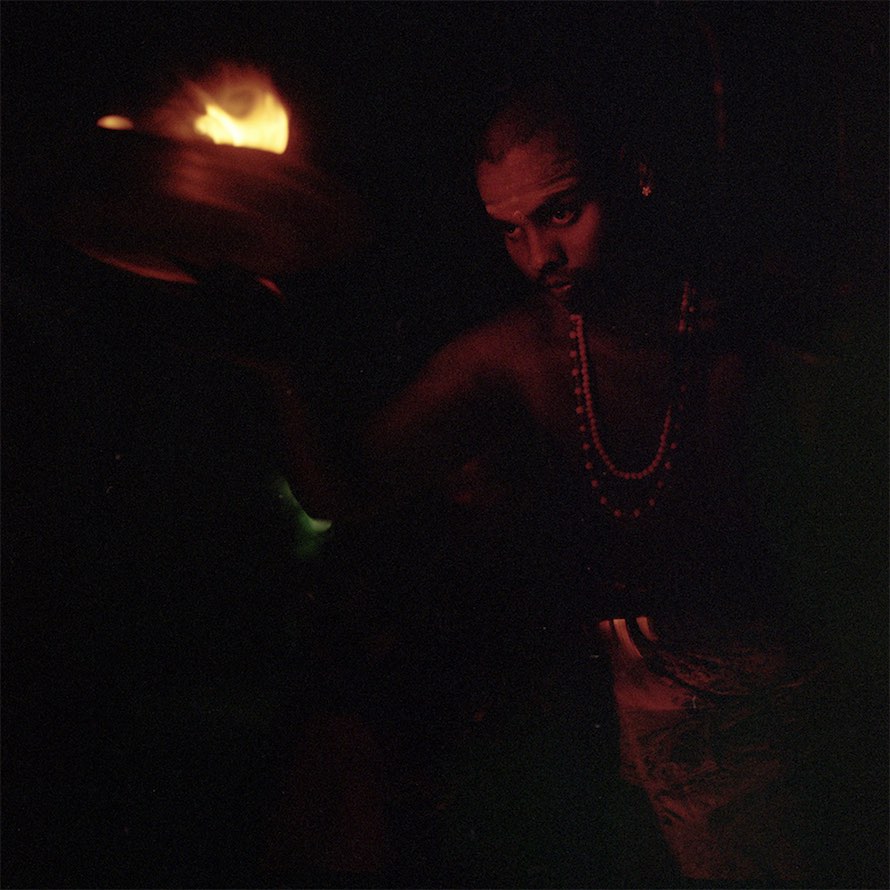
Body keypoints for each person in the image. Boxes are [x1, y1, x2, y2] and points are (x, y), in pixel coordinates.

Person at [268, 77, 829, 887]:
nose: (540, 258)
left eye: (561, 213)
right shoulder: (522, 352)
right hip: (644, 741)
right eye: (510, 232)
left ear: (634, 177)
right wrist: (277, 362)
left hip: (813, 721)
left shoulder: (745, 317)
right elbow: (344, 490)